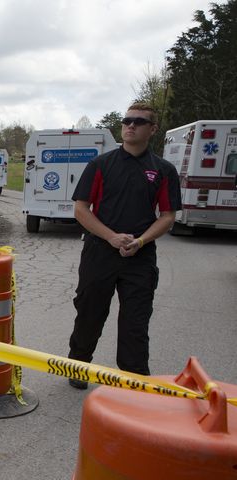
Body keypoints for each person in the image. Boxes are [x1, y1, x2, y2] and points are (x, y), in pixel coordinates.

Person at [67, 102, 181, 388]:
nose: (130, 126)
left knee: (135, 322)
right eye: (127, 120)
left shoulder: (163, 170)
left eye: (139, 122)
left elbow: (167, 216)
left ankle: (133, 379)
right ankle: (78, 366)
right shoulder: (100, 165)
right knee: (90, 312)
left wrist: (140, 241)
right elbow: (81, 209)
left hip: (139, 257)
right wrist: (111, 237)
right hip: (99, 252)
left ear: (152, 129)